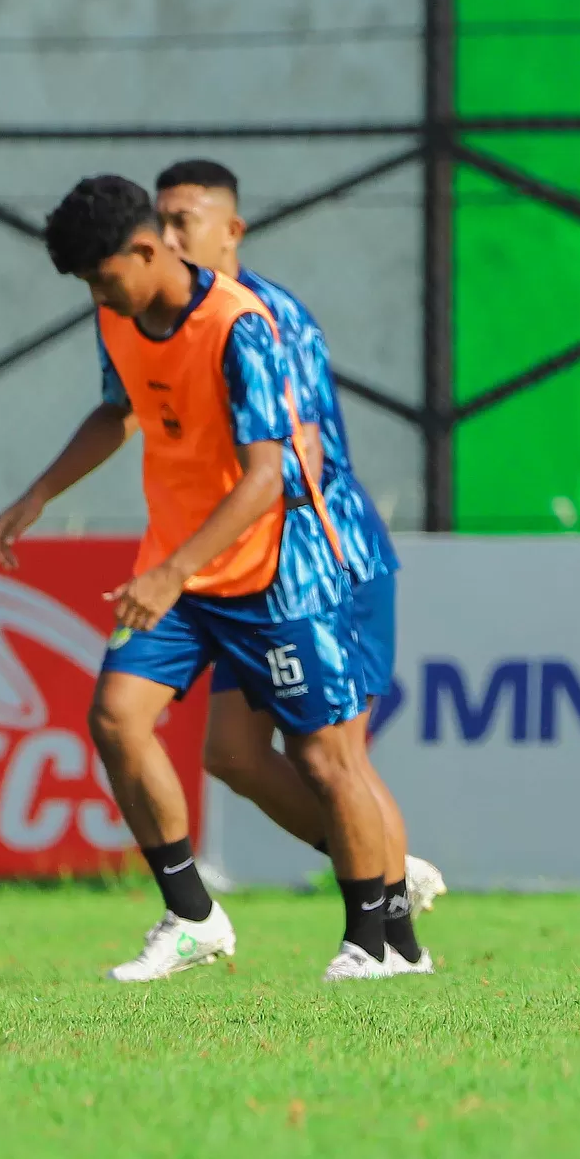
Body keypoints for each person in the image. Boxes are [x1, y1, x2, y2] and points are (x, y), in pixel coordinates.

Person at [0, 175, 402, 983]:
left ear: (147, 251)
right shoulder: (116, 315)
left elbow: (265, 475)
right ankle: (192, 914)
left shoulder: (241, 327)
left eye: (105, 276)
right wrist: (39, 493)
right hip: (178, 570)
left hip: (268, 572)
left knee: (327, 760)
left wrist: (176, 572)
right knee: (115, 718)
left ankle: (374, 943)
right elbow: (117, 411)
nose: (98, 295)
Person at [154, 159, 444, 965]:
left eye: (186, 220)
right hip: (252, 570)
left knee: (331, 756)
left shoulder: (263, 320)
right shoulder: (177, 322)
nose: (170, 238)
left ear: (231, 230)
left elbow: (295, 460)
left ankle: (381, 938)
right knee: (234, 756)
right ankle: (393, 886)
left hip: (320, 563)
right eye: (161, 221)